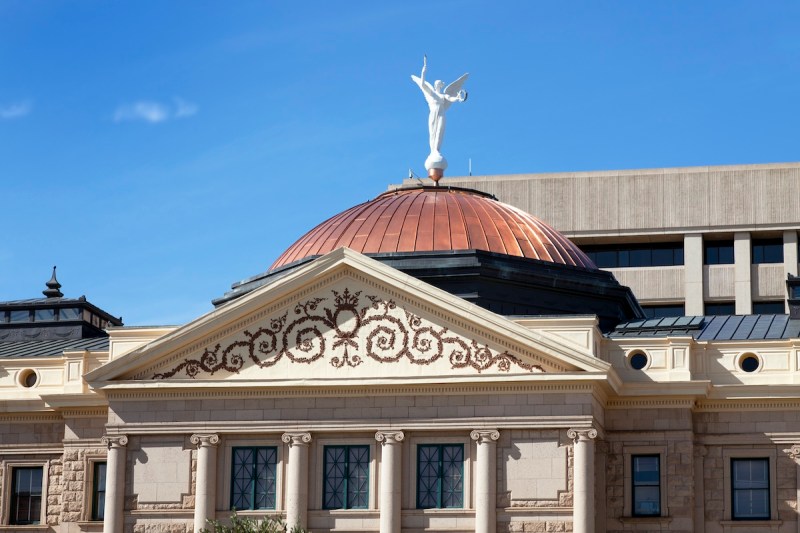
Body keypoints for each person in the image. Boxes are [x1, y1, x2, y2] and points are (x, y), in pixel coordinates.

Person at [411, 56, 468, 169]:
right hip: (433, 114)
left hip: (441, 113)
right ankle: (433, 151)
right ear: (437, 85)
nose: (440, 85)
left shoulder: (443, 95)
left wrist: (458, 98)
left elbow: (450, 98)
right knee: (432, 132)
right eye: (440, 84)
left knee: (440, 131)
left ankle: (436, 150)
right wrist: (424, 71)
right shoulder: (431, 93)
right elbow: (422, 84)